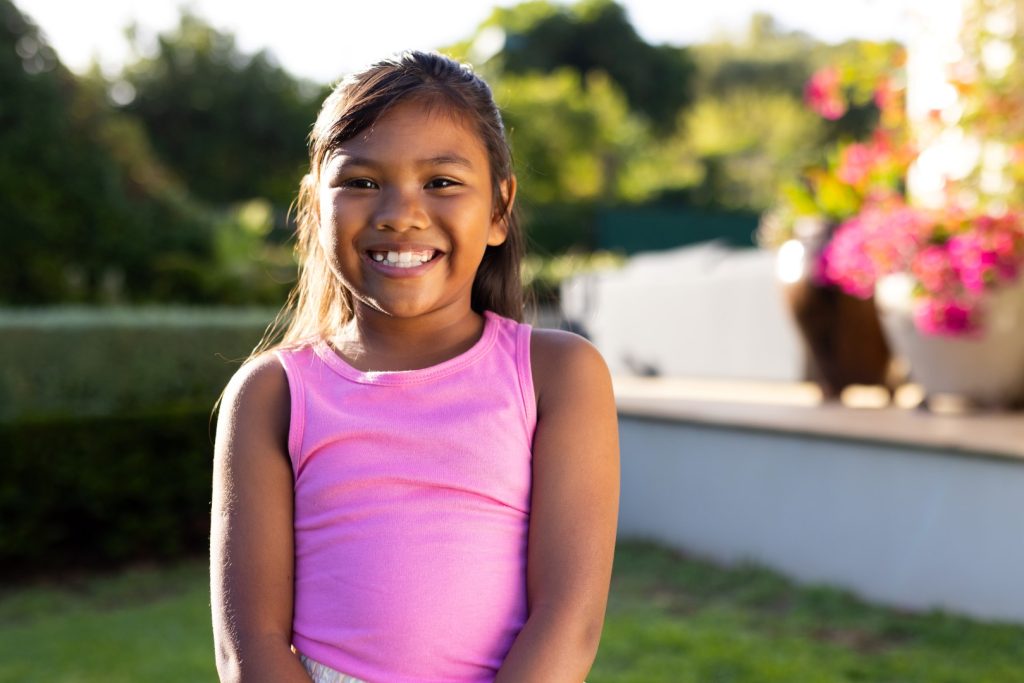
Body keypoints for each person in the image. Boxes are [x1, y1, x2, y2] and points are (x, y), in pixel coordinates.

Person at [210, 50, 619, 683]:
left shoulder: (558, 376)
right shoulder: (272, 393)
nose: (401, 213)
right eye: (363, 182)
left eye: (442, 182)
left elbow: (569, 618)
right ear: (317, 206)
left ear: (499, 210)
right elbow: (250, 646)